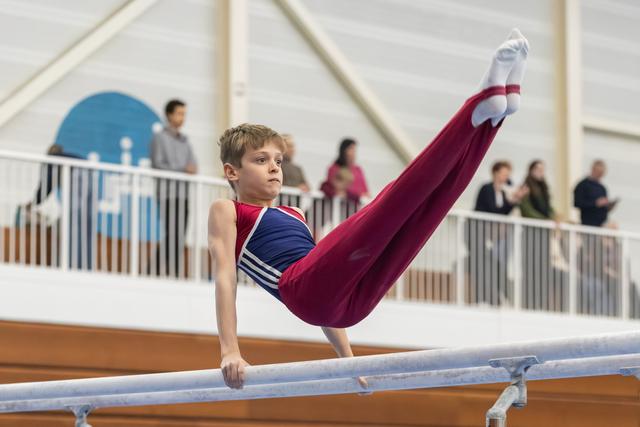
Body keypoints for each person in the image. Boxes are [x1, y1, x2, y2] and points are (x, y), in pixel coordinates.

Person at [208, 29, 529, 389]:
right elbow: (225, 277)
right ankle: (478, 107)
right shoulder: (228, 210)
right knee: (397, 200)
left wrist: (348, 360)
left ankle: (492, 119)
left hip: (347, 306)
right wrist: (229, 350)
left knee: (423, 214)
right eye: (261, 160)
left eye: (278, 161)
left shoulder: (294, 214)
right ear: (232, 171)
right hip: (301, 291)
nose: (274, 168)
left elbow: (329, 279)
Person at [24, 144, 93, 269]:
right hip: (88, 175)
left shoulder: (53, 161)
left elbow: (46, 185)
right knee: (82, 222)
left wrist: (34, 202)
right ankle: (83, 263)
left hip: (78, 176)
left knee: (73, 219)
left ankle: (72, 263)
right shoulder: (66, 158)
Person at [469, 161, 528, 306]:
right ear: (495, 172)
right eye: (504, 173)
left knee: (496, 265)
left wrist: (515, 199)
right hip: (478, 232)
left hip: (493, 233)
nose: (506, 176)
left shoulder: (502, 192)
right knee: (483, 264)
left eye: (508, 174)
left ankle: (498, 298)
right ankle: (483, 299)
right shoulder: (486, 188)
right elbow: (492, 210)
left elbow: (503, 213)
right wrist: (512, 199)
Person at [150, 99, 198, 278]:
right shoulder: (159, 137)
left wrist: (188, 169)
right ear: (169, 115)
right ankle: (155, 270)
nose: (182, 117)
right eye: (179, 113)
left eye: (184, 114)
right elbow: (157, 164)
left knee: (180, 235)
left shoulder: (185, 141)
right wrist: (182, 169)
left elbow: (194, 165)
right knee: (172, 233)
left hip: (183, 194)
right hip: (167, 193)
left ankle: (171, 272)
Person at [519, 160, 567, 311]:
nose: (541, 171)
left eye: (542, 169)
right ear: (531, 169)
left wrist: (554, 218)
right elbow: (526, 210)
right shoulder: (526, 187)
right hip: (531, 235)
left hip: (544, 236)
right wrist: (546, 221)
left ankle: (540, 303)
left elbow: (549, 208)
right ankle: (529, 303)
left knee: (542, 270)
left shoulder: (544, 189)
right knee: (531, 269)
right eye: (538, 168)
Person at [574, 160, 617, 227]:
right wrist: (595, 203)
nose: (600, 176)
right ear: (593, 170)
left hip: (601, 225)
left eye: (602, 173)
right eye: (599, 173)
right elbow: (577, 203)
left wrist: (609, 206)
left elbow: (604, 209)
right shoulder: (583, 185)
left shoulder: (602, 188)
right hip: (587, 224)